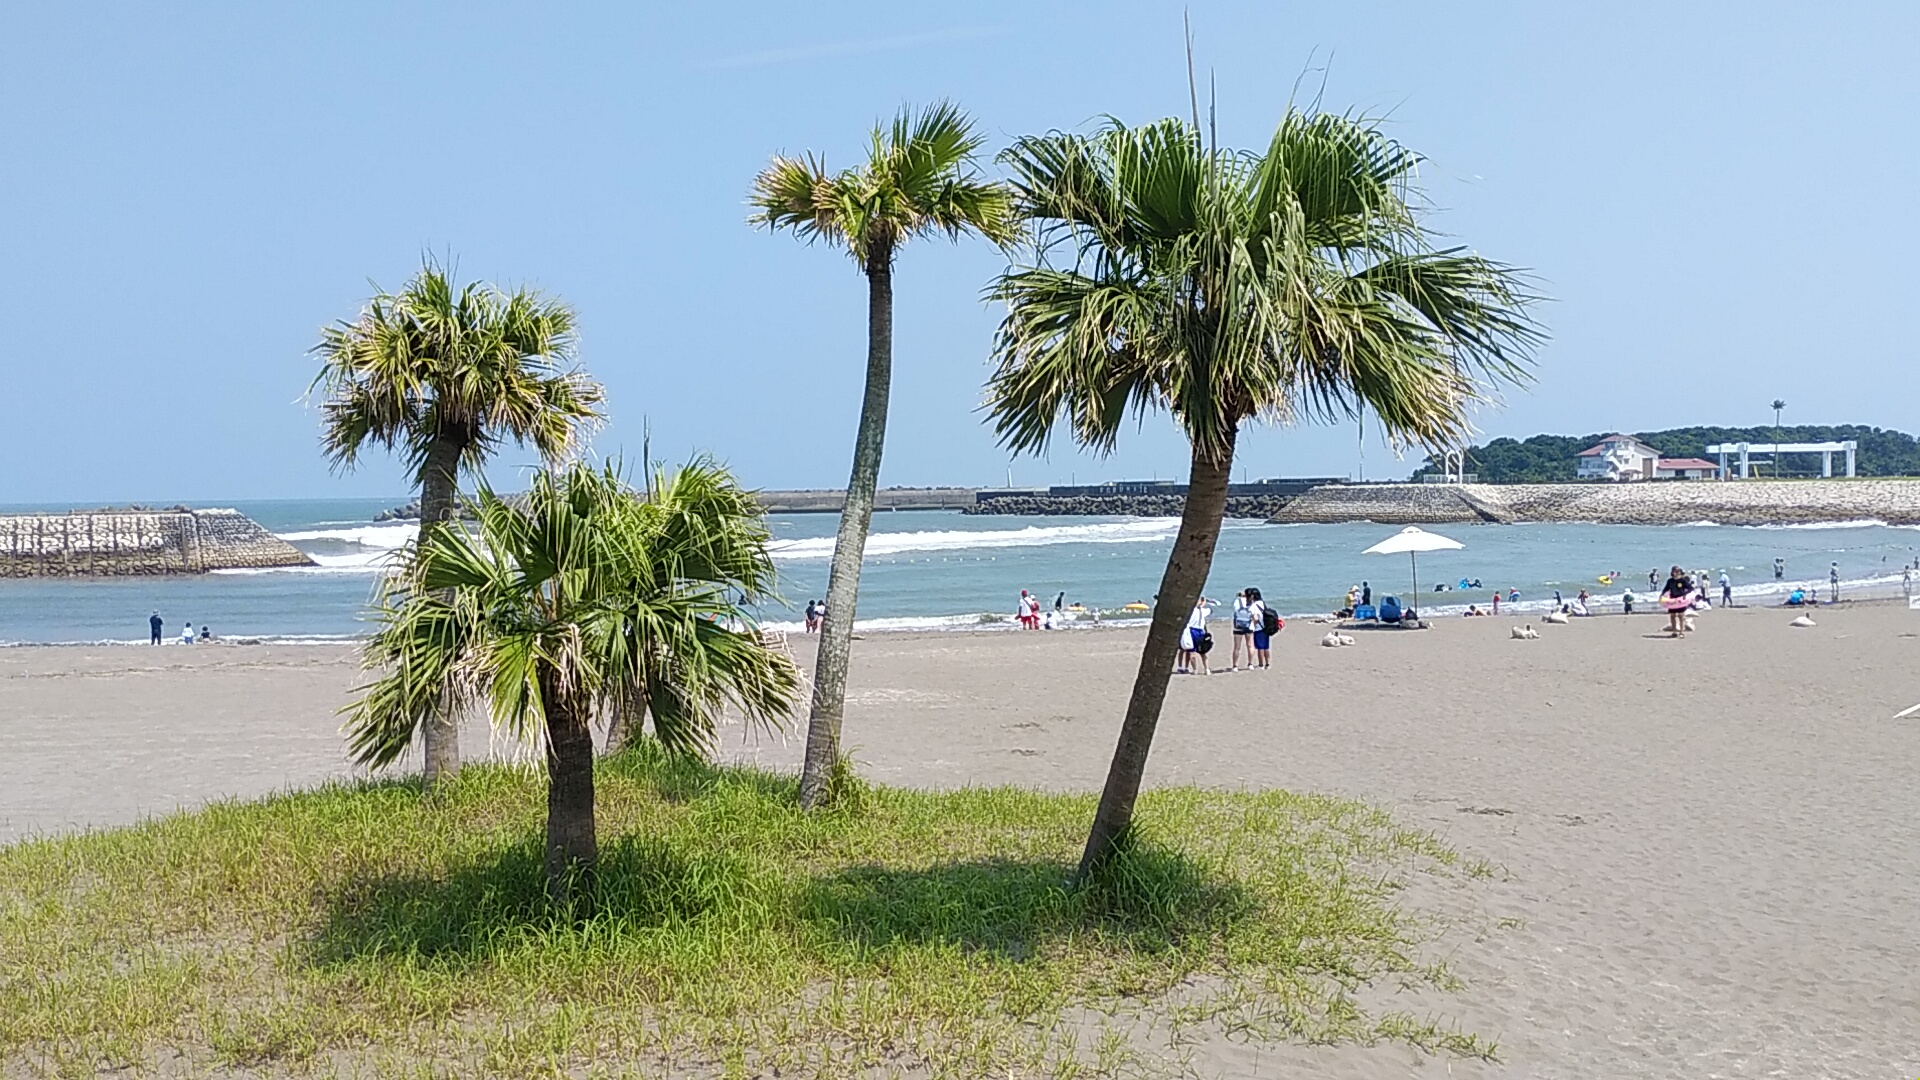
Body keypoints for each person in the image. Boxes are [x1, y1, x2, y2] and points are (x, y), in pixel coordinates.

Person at [1178, 597, 1215, 675]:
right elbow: (1211, 610)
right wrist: (1204, 603)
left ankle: (1195, 669)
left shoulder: (1190, 611)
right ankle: (1206, 669)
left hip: (1191, 631)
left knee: (1192, 652)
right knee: (1202, 652)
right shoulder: (1202, 611)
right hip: (1200, 631)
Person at [1661, 566, 1693, 636]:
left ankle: (1681, 632)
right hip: (1672, 600)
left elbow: (1690, 588)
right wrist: (1662, 595)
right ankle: (1674, 632)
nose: (1677, 572)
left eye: (1678, 571)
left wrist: (1685, 594)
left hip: (1681, 600)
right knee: (1672, 616)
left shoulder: (1683, 580)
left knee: (1681, 616)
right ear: (1672, 572)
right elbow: (1666, 589)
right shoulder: (1670, 581)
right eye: (1676, 571)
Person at [1248, 587, 1273, 669]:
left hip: (1259, 628)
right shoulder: (1262, 603)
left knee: (1260, 647)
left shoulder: (1253, 606)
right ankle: (1267, 664)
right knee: (1266, 647)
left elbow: (1255, 618)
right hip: (1266, 627)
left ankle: (1261, 664)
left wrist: (1253, 625)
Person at [1230, 591, 1255, 670]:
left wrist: (1239, 596)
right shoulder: (1251, 602)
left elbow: (1235, 609)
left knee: (1237, 646)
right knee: (1250, 645)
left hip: (1238, 626)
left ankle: (1235, 666)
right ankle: (1250, 664)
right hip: (1249, 625)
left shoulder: (1237, 601)